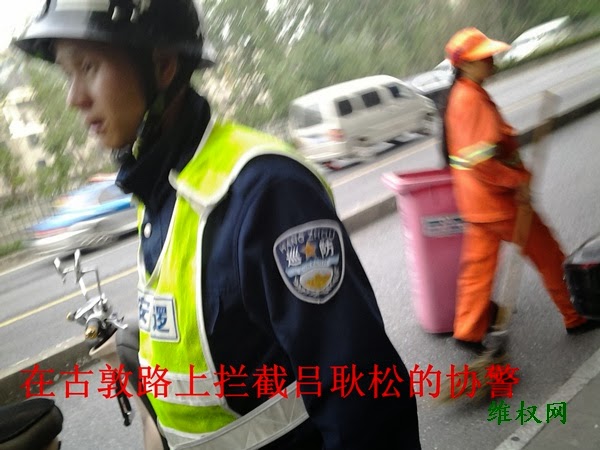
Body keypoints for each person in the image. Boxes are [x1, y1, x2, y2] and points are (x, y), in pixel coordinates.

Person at [13, 1, 421, 449]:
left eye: (88, 67)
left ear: (163, 65)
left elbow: (363, 398)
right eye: (67, 74)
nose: (74, 97)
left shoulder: (264, 190)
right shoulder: (160, 192)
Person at [442, 27, 600, 351]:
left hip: (476, 204)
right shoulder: (471, 100)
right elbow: (482, 162)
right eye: (484, 57)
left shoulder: (462, 95)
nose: (491, 60)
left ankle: (468, 333)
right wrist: (516, 182)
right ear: (466, 65)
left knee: (477, 271)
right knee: (549, 255)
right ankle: (574, 316)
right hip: (500, 203)